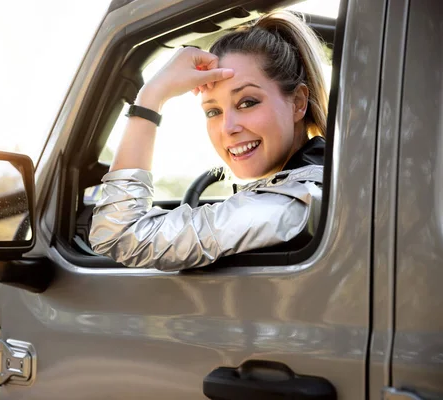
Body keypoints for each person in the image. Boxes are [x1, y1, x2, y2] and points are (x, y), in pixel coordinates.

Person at [89, 11, 328, 271]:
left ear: (298, 103)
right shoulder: (311, 184)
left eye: (247, 102)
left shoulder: (293, 202)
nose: (228, 128)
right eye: (213, 111)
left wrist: (151, 96)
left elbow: (119, 235)